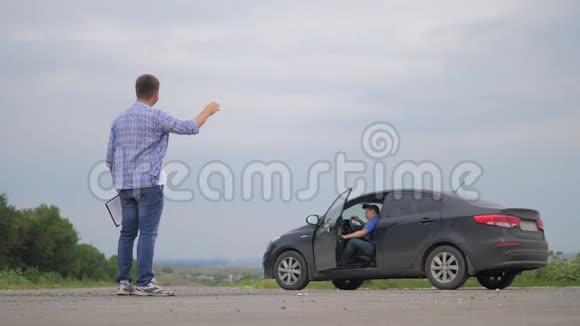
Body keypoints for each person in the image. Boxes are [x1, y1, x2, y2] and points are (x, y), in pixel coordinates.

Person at [105, 74, 220, 296]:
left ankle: (124, 283)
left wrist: (120, 183)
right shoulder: (155, 116)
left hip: (124, 186)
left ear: (137, 91)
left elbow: (109, 159)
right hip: (149, 184)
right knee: (148, 233)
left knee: (127, 234)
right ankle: (145, 282)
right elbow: (189, 127)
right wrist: (207, 111)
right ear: (156, 93)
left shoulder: (118, 121)